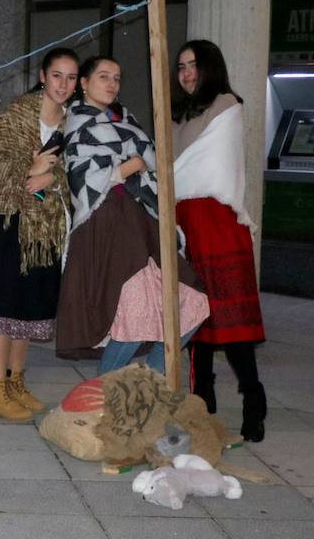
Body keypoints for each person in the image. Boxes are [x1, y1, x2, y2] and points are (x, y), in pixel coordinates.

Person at [55, 56, 208, 372]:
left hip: (142, 221)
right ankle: (105, 400)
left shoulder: (125, 119)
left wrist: (133, 166)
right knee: (134, 316)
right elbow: (83, 177)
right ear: (83, 83)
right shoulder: (77, 122)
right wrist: (133, 165)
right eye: (103, 77)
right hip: (106, 224)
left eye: (117, 77)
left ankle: (146, 383)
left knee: (192, 301)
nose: (112, 84)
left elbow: (151, 164)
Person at [0, 48, 78, 420]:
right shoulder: (19, 112)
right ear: (43, 76)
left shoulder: (73, 122)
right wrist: (31, 170)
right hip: (6, 219)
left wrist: (51, 177)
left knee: (29, 306)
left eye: (71, 78)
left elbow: (75, 171)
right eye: (57, 75)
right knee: (5, 304)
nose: (63, 84)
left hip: (44, 227)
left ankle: (16, 381)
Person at [172, 39, 267, 441]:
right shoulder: (179, 114)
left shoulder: (227, 105)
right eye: (180, 67)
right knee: (196, 318)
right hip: (186, 223)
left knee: (233, 321)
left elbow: (207, 169)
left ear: (210, 67)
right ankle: (202, 404)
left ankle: (253, 400)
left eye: (193, 65)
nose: (186, 73)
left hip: (219, 223)